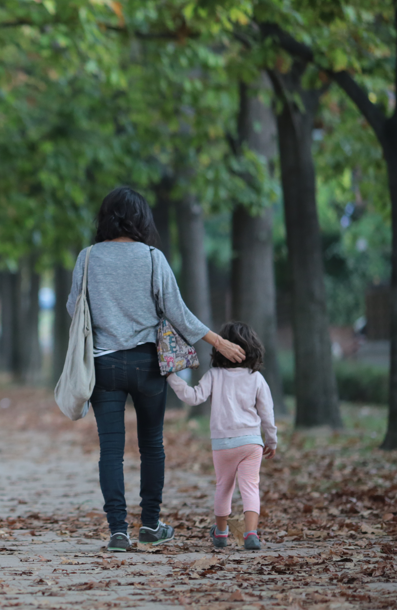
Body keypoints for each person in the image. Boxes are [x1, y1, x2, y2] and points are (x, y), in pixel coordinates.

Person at [66, 186, 246, 552]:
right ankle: (150, 524)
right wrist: (217, 341)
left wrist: (107, 319)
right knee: (152, 446)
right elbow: (178, 313)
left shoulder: (87, 259)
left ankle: (118, 530)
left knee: (111, 451)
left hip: (104, 365)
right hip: (148, 364)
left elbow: (74, 308)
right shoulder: (152, 258)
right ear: (140, 219)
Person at [166, 321, 277, 551]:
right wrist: (271, 440)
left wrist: (171, 376)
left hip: (223, 444)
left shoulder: (214, 375)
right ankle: (251, 534)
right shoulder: (255, 377)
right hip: (251, 443)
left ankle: (221, 532)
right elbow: (267, 412)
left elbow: (194, 397)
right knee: (250, 487)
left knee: (223, 487)